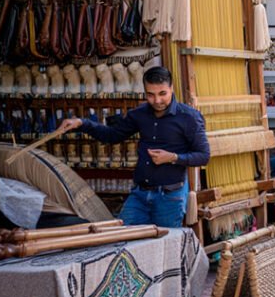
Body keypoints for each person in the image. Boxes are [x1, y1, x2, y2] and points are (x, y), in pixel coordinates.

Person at [57, 66, 209, 227]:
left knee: (165, 241)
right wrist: (82, 123)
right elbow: (112, 135)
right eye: (150, 95)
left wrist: (172, 157)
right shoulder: (139, 114)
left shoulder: (189, 117)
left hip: (170, 197)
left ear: (171, 88)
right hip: (140, 194)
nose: (157, 100)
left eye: (162, 93)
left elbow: (203, 156)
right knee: (122, 235)